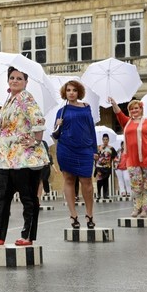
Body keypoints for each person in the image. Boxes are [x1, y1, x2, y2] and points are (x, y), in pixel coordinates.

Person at [0, 67, 50, 246]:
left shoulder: (26, 97)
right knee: (0, 197)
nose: (15, 81)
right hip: (6, 159)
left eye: (19, 78)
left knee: (28, 199)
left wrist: (35, 141)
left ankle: (28, 236)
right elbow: (7, 123)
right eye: (12, 77)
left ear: (26, 81)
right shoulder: (8, 99)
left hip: (24, 159)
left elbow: (38, 120)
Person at [108, 97, 147, 217]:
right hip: (132, 158)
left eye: (136, 108)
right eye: (131, 109)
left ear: (141, 109)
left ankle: (145, 209)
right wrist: (114, 103)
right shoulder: (126, 122)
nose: (134, 110)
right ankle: (136, 207)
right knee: (135, 184)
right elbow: (118, 113)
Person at [53, 80, 98, 228]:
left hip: (84, 148)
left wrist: (94, 149)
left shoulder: (86, 107)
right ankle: (73, 215)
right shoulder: (62, 111)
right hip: (66, 148)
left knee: (87, 182)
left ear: (79, 92)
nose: (71, 93)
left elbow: (91, 129)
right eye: (68, 90)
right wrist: (58, 124)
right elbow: (55, 135)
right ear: (65, 93)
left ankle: (89, 214)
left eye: (74, 90)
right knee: (69, 180)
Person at [94, 133, 117, 199]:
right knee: (99, 180)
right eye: (104, 139)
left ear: (108, 140)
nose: (105, 141)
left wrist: (111, 162)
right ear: (102, 140)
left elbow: (114, 157)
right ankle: (98, 193)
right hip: (99, 167)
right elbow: (95, 156)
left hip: (107, 167)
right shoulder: (99, 147)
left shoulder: (111, 148)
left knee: (105, 180)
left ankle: (105, 194)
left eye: (106, 139)